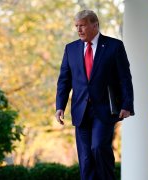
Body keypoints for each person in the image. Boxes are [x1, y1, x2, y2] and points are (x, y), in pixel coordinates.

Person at [55, 10, 134, 180]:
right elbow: (64, 80)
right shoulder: (71, 49)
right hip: (80, 110)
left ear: (95, 25)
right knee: (85, 158)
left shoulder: (114, 46)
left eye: (82, 25)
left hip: (104, 110)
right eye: (76, 26)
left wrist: (127, 104)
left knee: (98, 148)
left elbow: (124, 78)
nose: (79, 30)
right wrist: (60, 106)